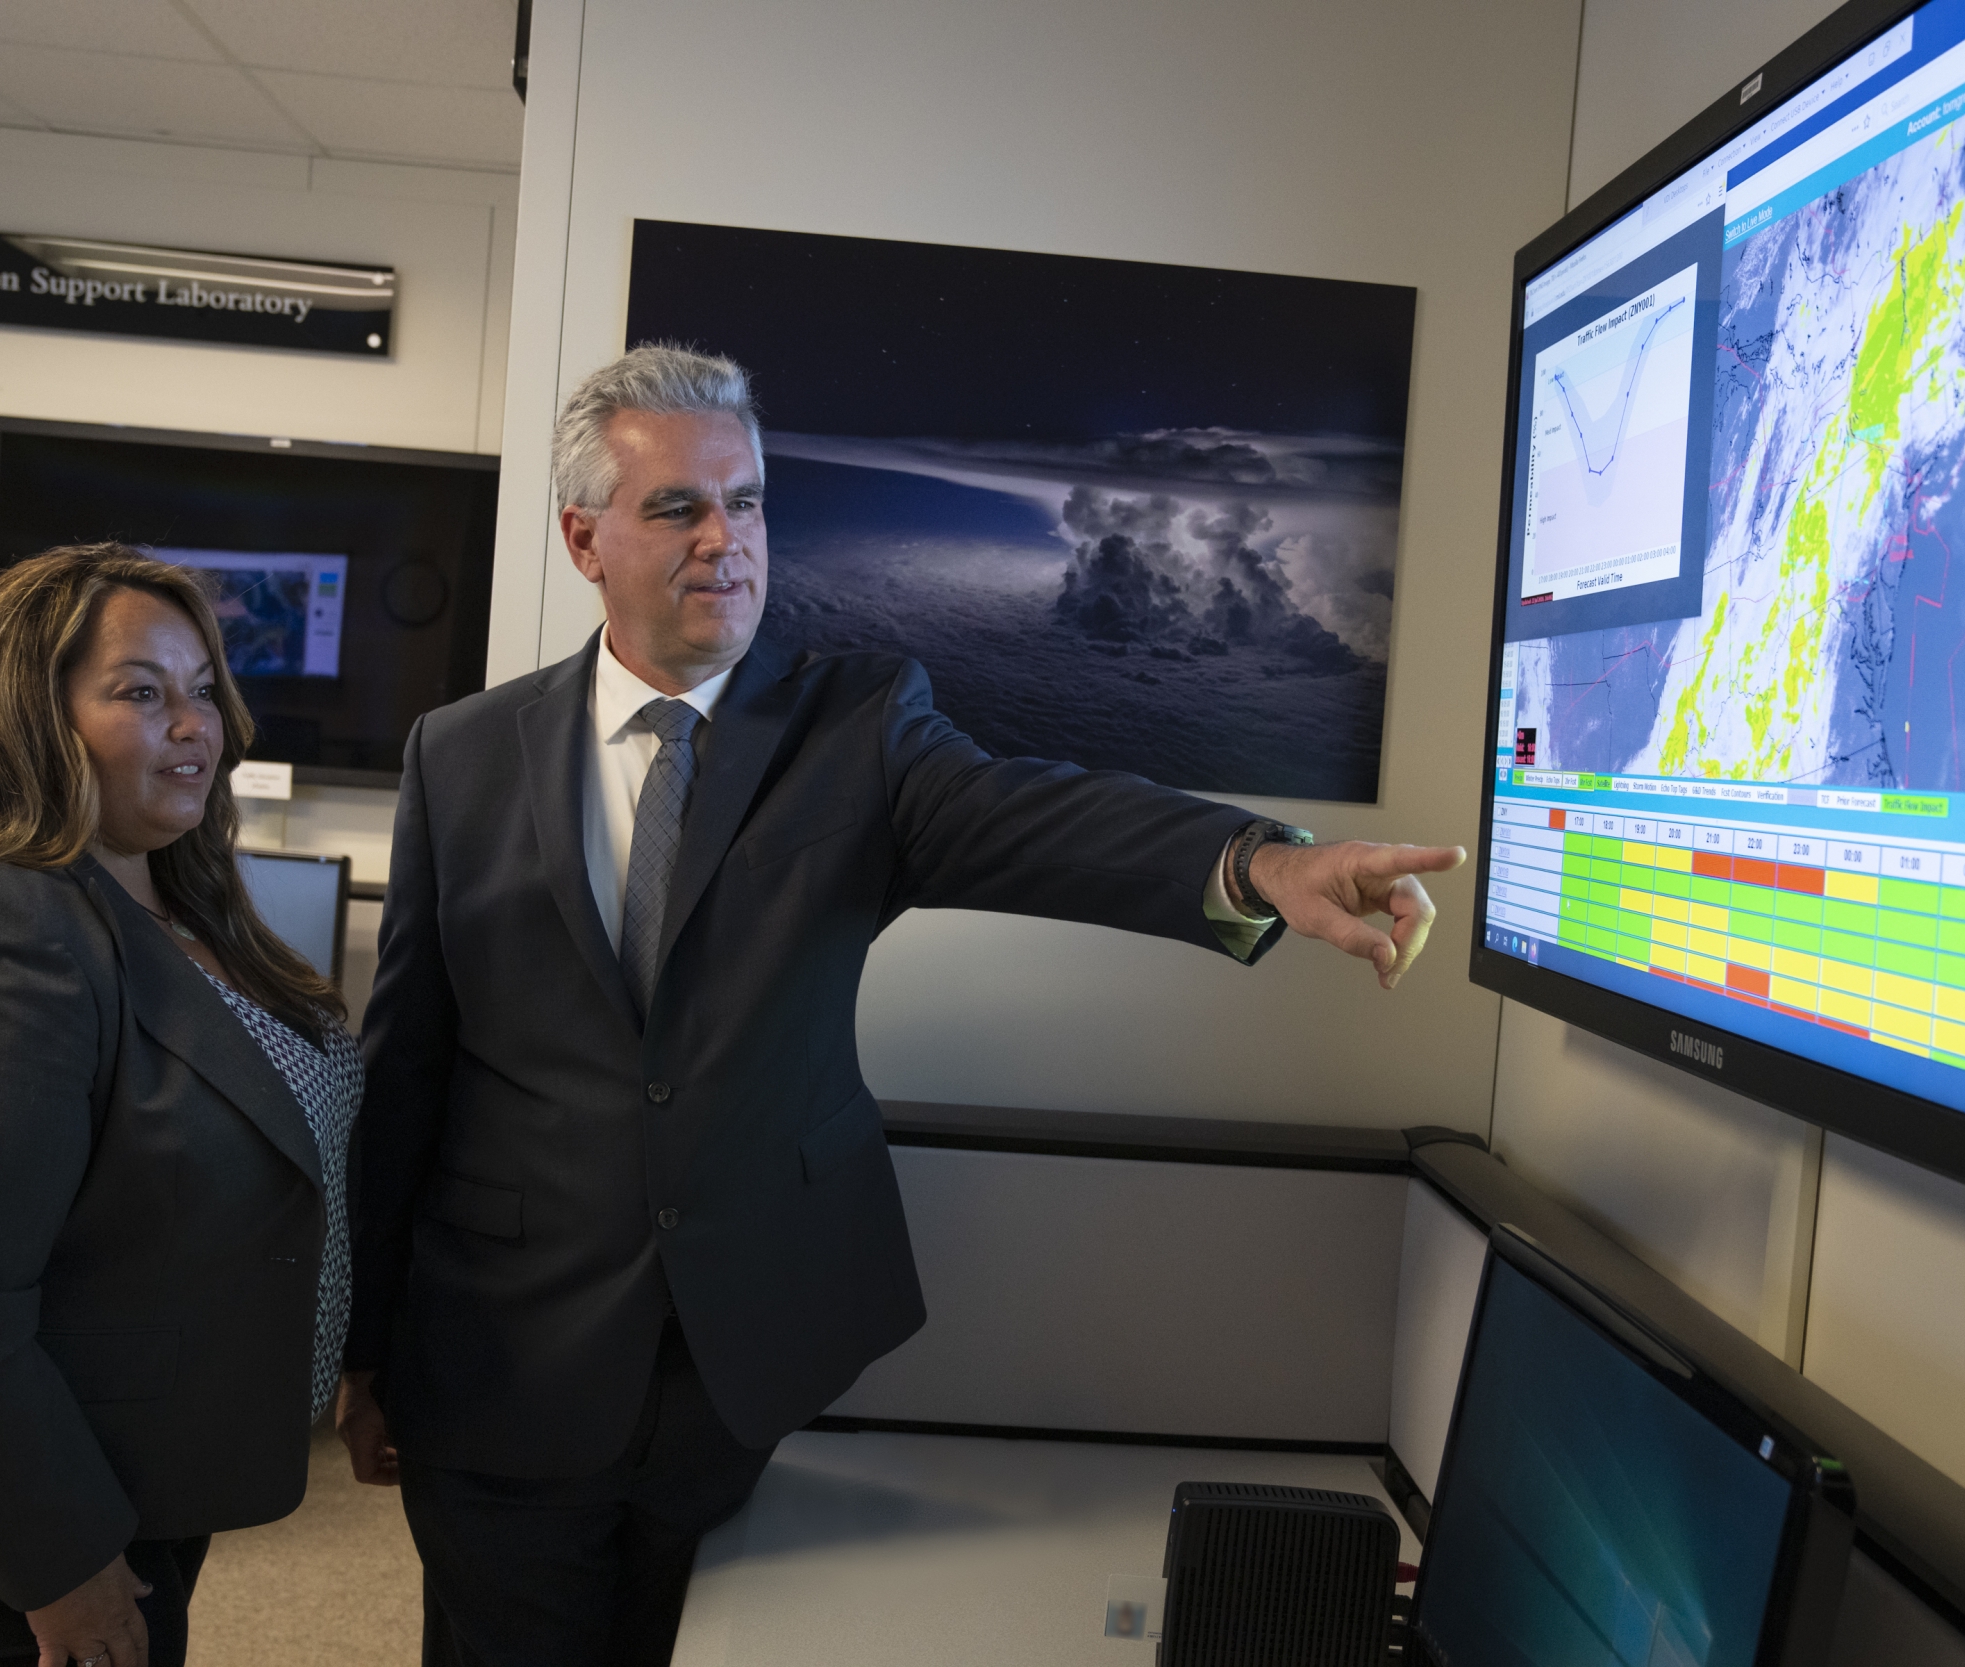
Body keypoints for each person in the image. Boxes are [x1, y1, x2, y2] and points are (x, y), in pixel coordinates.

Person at [337, 344, 1466, 1665]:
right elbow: (405, 1065)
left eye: (748, 501)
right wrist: (366, 1344)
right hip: (500, 1362)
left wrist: (1258, 860)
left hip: (738, 1364)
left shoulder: (857, 725)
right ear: (585, 537)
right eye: (680, 508)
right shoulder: (461, 754)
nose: (727, 540)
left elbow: (1036, 816)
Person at [0, 545, 362, 1667]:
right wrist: (57, 1559)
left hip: (118, 1476)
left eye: (203, 689)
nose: (197, 724)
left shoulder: (172, 907)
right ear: (26, 720)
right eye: (141, 692)